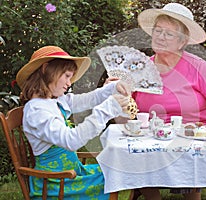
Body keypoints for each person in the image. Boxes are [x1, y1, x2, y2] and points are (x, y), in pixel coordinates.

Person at [113, 3, 206, 200]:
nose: (160, 37)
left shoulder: (198, 67)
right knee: (141, 156)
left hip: (192, 142)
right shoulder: (139, 69)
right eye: (158, 31)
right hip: (152, 143)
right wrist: (115, 95)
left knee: (189, 162)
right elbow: (125, 116)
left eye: (168, 33)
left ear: (182, 42)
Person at [16, 46, 132, 199]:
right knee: (115, 175)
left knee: (118, 170)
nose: (69, 83)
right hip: (55, 183)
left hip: (70, 174)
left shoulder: (55, 100)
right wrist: (108, 109)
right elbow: (71, 141)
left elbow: (88, 99)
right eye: (66, 76)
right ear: (46, 69)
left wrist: (112, 87)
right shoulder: (37, 111)